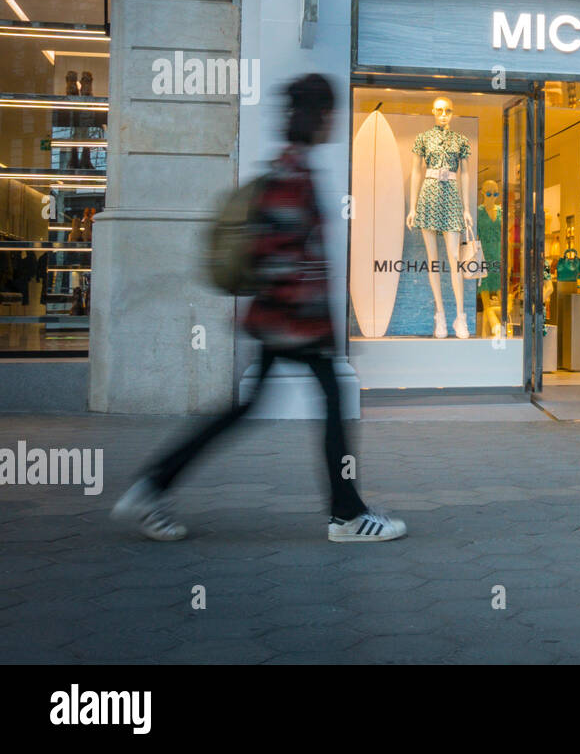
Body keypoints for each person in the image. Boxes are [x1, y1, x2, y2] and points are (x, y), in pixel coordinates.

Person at [112, 74, 407, 543]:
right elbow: (287, 259)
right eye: (332, 113)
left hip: (283, 322)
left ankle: (153, 485)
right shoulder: (295, 176)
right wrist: (317, 330)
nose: (334, 121)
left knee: (250, 408)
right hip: (293, 325)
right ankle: (346, 515)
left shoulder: (289, 168)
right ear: (320, 116)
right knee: (327, 400)